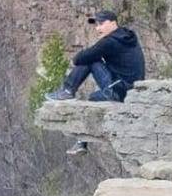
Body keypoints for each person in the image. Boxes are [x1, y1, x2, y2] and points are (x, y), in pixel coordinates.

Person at [44, 10, 146, 155]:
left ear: (113, 23)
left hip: (119, 90)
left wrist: (87, 54)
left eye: (101, 24)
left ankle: (67, 91)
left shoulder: (110, 42)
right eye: (96, 25)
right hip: (131, 90)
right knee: (93, 98)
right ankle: (81, 143)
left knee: (90, 60)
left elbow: (79, 59)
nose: (98, 28)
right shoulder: (128, 36)